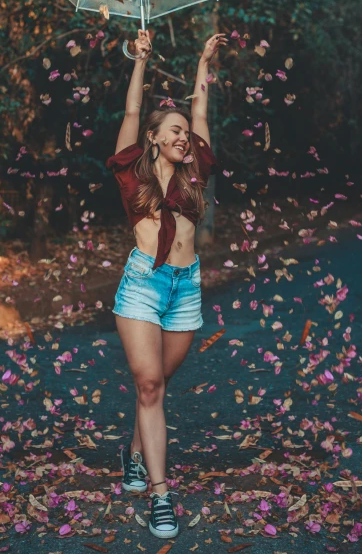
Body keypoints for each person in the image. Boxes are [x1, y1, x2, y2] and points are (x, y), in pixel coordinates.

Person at [105, 28, 228, 540]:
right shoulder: (133, 175)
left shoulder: (194, 172)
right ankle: (159, 495)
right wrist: (140, 59)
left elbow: (201, 115)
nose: (183, 136)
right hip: (142, 286)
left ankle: (135, 453)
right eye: (173, 130)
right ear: (154, 137)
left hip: (186, 289)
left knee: (157, 385)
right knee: (149, 385)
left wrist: (203, 61)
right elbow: (132, 113)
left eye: (185, 132)